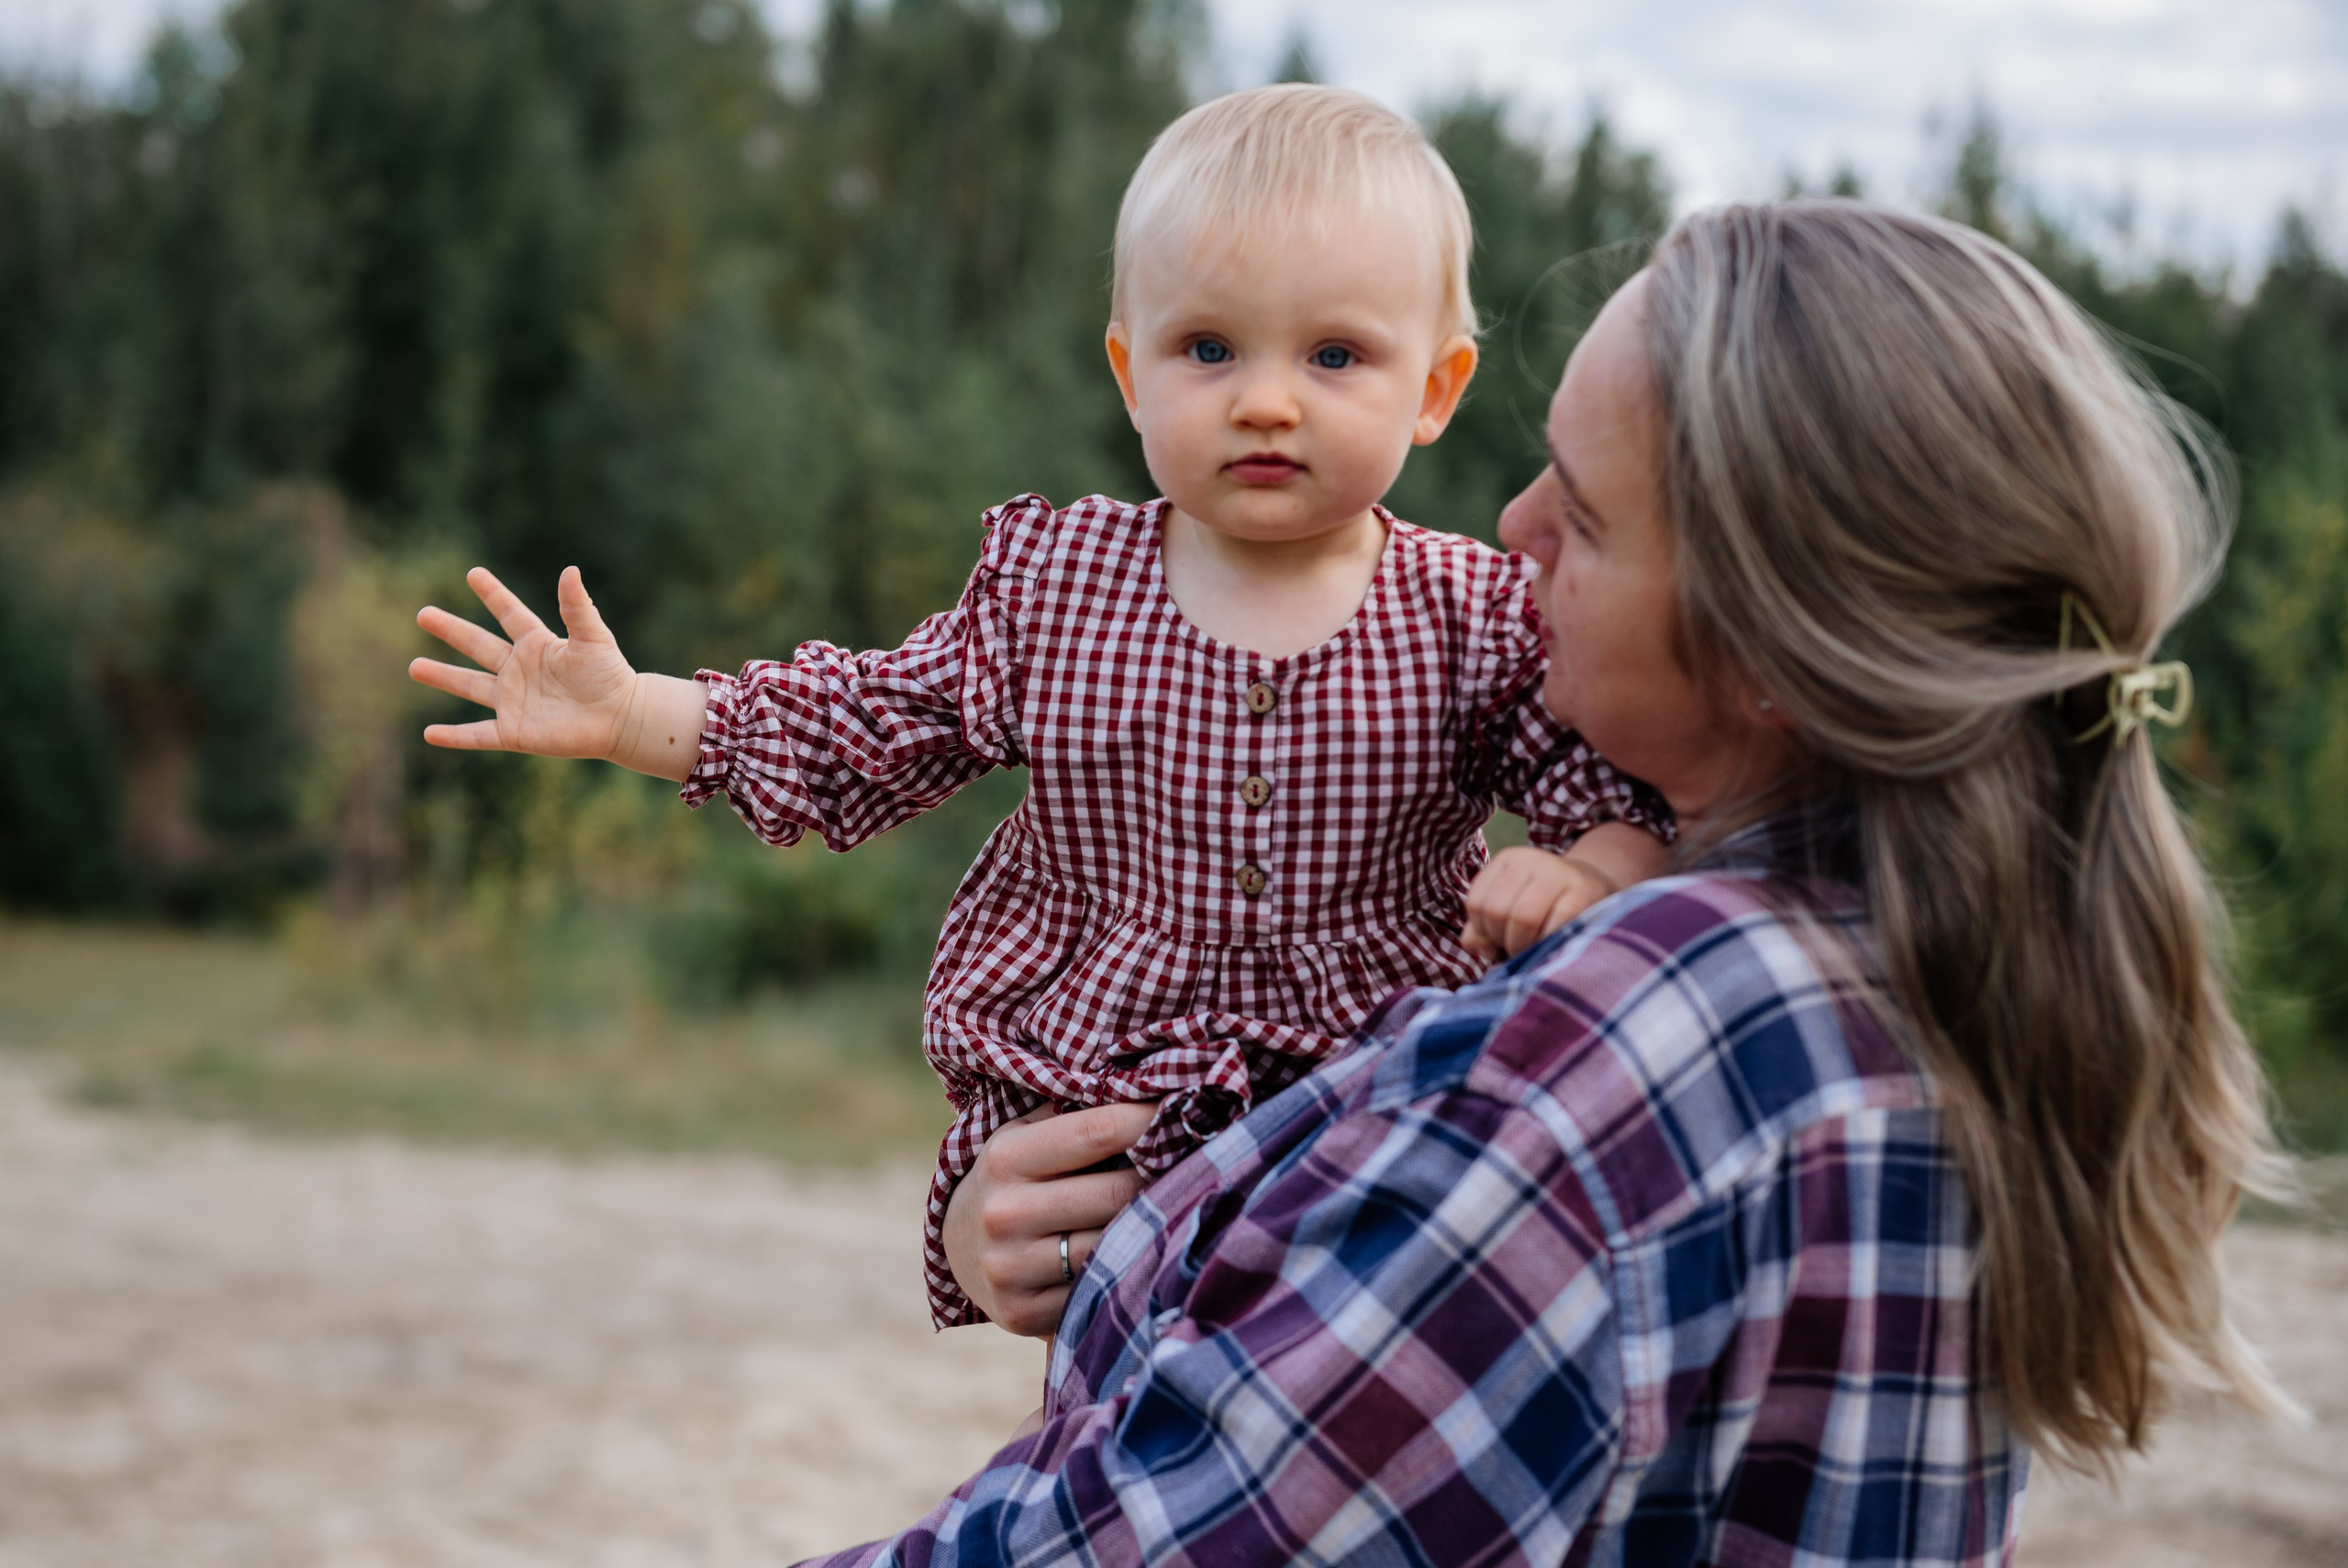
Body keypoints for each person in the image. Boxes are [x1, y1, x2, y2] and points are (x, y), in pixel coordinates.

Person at [843, 200, 2290, 1566]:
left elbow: (1160, 1537)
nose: (1515, 529)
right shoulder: (1933, 972)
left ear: (1769, 647)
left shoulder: (1658, 1032)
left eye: (1586, 517)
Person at [406, 84, 1674, 1328]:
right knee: (1128, 1429)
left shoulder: (1473, 616)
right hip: (1113, 1136)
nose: (1267, 399)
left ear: (1437, 389)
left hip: (1380, 1127)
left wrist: (1592, 865)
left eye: (1335, 355)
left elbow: (1611, 791)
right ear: (1131, 371)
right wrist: (633, 714)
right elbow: (863, 725)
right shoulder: (1058, 592)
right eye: (1209, 348)